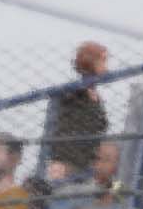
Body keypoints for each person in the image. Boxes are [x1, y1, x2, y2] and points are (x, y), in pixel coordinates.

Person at [44, 41, 111, 184]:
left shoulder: (95, 97)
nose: (106, 67)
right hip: (66, 162)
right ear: (91, 62)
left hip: (87, 163)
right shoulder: (75, 92)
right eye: (103, 61)